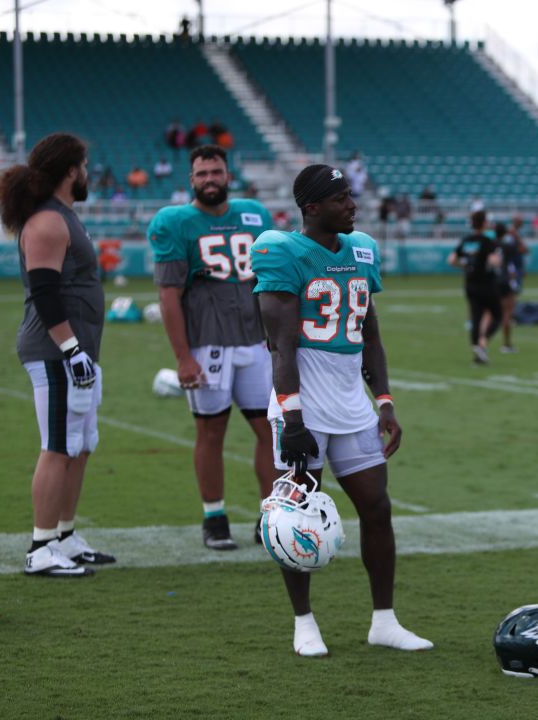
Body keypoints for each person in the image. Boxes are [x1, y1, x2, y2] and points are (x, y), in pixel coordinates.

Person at [251, 163, 432, 657]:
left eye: (351, 196)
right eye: (340, 198)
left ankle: (384, 621)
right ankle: (304, 623)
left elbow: (369, 335)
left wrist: (386, 403)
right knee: (294, 516)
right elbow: (281, 345)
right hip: (302, 406)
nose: (352, 204)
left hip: (352, 404)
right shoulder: (281, 251)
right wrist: (291, 419)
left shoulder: (362, 250)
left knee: (377, 508)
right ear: (311, 208)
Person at [148, 144, 279, 550]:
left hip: (256, 343)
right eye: (202, 174)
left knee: (270, 430)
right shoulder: (176, 221)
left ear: (228, 175)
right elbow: (168, 295)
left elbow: (273, 278)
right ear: (191, 180)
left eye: (216, 172)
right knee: (211, 433)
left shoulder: (254, 214)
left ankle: (271, 515)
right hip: (208, 346)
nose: (210, 180)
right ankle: (214, 516)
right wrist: (183, 357)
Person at [0, 132, 115, 577]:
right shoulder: (48, 221)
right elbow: (45, 292)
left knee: (81, 445)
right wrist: (71, 349)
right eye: (83, 165)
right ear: (71, 169)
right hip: (57, 350)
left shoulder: (64, 215)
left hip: (75, 350)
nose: (87, 173)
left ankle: (65, 535)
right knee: (58, 445)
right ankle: (41, 545)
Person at [448, 210, 503, 365]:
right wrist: (498, 261)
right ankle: (483, 342)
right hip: (486, 283)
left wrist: (466, 265)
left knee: (476, 317)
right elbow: (493, 261)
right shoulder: (487, 241)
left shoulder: (467, 240)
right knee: (498, 315)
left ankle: (477, 352)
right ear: (484, 223)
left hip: (470, 283)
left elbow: (451, 260)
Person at [496, 219, 529, 353]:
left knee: (489, 313)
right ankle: (506, 344)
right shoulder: (508, 245)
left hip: (493, 280)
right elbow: (524, 250)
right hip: (506, 279)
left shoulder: (491, 244)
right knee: (507, 313)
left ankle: (481, 342)